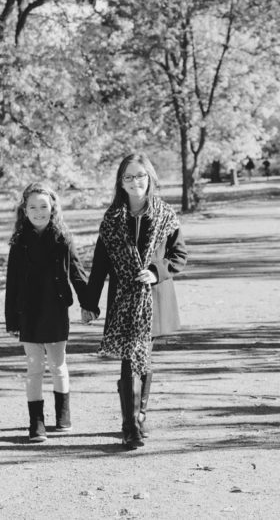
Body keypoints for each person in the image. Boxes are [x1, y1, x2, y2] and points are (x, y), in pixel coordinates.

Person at [82, 153, 187, 450]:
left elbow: (179, 257)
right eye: (128, 177)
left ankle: (140, 414)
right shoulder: (112, 219)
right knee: (130, 359)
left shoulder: (165, 215)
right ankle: (129, 425)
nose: (134, 182)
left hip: (153, 300)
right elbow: (100, 265)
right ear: (120, 182)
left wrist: (155, 273)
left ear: (150, 178)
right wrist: (90, 303)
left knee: (145, 358)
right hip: (123, 300)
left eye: (140, 175)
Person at [5, 182, 90, 443]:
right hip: (28, 311)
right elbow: (12, 283)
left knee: (57, 365)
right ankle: (36, 423)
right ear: (24, 210)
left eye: (44, 206)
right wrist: (12, 320)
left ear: (52, 207)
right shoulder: (19, 241)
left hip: (55, 310)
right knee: (34, 367)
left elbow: (76, 272)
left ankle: (63, 416)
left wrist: (89, 303)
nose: (39, 211)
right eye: (33, 207)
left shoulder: (63, 238)